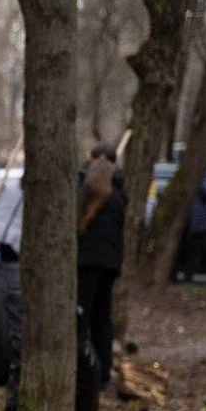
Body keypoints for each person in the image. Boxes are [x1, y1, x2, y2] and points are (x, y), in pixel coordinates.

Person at [76, 141, 125, 386]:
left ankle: (83, 369)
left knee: (83, 316)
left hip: (86, 261)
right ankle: (102, 372)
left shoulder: (85, 189)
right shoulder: (118, 194)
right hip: (109, 263)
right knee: (102, 318)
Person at [174, 174, 206, 283]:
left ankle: (188, 277)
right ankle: (174, 275)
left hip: (198, 225)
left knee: (193, 253)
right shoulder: (185, 177)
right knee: (178, 251)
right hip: (184, 223)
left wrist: (199, 182)